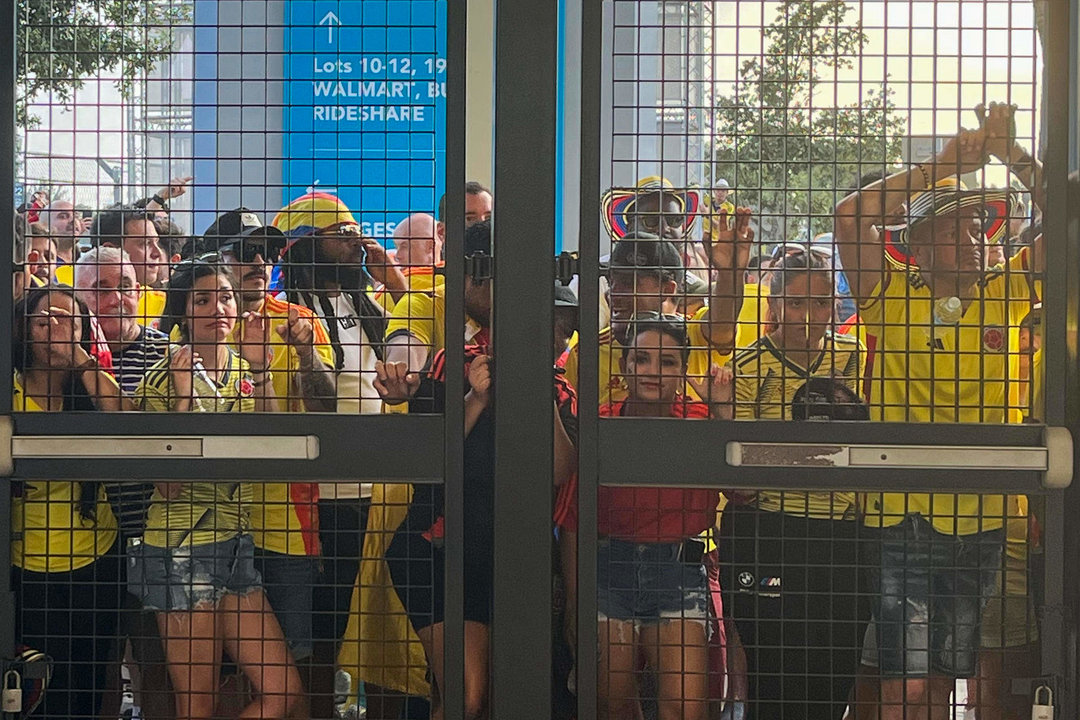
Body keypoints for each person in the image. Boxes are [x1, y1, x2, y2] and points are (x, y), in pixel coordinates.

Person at [833, 102, 1043, 720]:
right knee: (905, 685)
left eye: (978, 227)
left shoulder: (1005, 293)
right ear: (917, 248)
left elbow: (1068, 217)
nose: (974, 239)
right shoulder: (888, 298)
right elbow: (849, 217)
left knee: (958, 680)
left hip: (979, 517)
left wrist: (1013, 155)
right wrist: (942, 166)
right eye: (953, 229)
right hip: (901, 519)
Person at [131, 258, 302, 720]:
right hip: (180, 547)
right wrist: (183, 398)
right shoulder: (164, 376)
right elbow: (167, 485)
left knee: (283, 692)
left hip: (234, 543)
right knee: (198, 703)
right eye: (202, 299)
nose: (217, 307)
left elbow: (275, 448)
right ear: (182, 311)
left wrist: (263, 369)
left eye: (224, 296)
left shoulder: (243, 370)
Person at [720, 250, 867, 719]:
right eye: (799, 303)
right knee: (773, 672)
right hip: (767, 531)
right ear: (776, 304)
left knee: (834, 671)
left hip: (839, 536)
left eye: (822, 303)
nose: (810, 316)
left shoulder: (855, 356)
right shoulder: (748, 365)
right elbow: (737, 465)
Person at [205, 207, 338, 715]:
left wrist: (306, 356)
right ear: (219, 259)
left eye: (264, 251)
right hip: (213, 520)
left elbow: (328, 410)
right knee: (216, 671)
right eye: (244, 252)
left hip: (287, 522)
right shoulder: (198, 321)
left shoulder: (299, 320)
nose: (258, 262)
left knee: (295, 666)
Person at [596, 314, 732, 720]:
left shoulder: (702, 420)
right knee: (612, 705)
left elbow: (744, 491)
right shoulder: (600, 420)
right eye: (641, 358)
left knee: (686, 709)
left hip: (681, 572)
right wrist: (572, 602)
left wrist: (723, 414)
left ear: (684, 370)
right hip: (608, 569)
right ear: (624, 366)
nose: (653, 371)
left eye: (668, 362)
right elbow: (572, 518)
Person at [11, 284, 134, 719]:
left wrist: (81, 358)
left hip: (95, 558)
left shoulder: (90, 388)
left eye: (66, 320)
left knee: (90, 677)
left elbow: (128, 421)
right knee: (35, 685)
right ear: (24, 332)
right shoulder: (11, 391)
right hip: (27, 564)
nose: (54, 329)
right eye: (43, 321)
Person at [380, 219, 495, 388]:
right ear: (465, 274)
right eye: (492, 284)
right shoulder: (424, 303)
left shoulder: (542, 310)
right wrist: (401, 372)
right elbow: (406, 343)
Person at [88, 205, 170, 328]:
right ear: (111, 250)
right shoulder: (78, 301)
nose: (157, 253)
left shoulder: (166, 304)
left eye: (156, 242)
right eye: (145, 243)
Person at [376, 212, 445, 311]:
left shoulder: (385, 295)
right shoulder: (458, 283)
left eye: (404, 247)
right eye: (396, 247)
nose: (397, 256)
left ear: (431, 246)